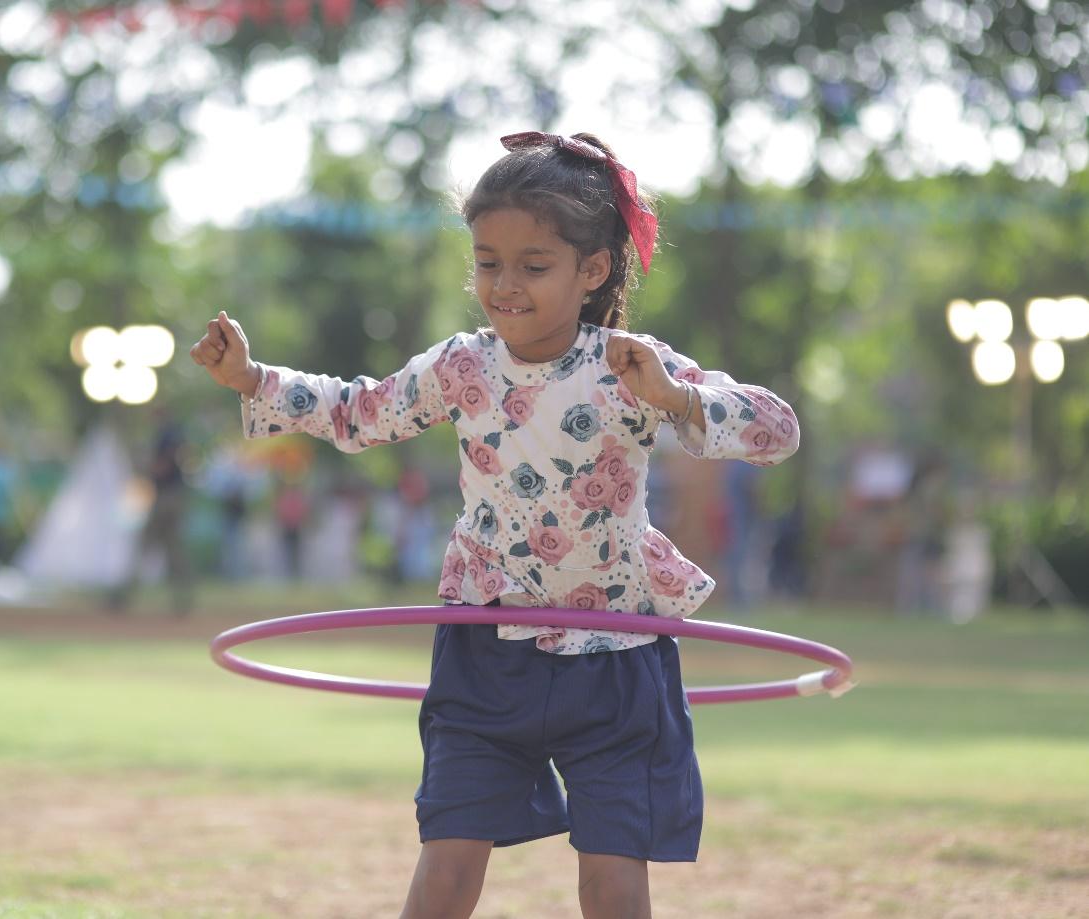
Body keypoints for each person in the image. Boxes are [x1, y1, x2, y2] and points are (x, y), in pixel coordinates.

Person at [190, 131, 801, 919]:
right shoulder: (462, 366)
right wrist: (250, 377)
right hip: (486, 646)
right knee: (445, 862)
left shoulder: (628, 367)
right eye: (487, 262)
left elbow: (776, 432)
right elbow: (359, 412)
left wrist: (676, 399)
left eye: (532, 265)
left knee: (613, 880)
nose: (504, 286)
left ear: (592, 269)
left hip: (614, 655)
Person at [108, 408, 196, 616]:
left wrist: (145, 469)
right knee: (172, 550)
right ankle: (182, 599)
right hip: (173, 497)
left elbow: (164, 465)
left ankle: (123, 596)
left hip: (166, 497)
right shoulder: (174, 433)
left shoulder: (167, 435)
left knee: (146, 547)